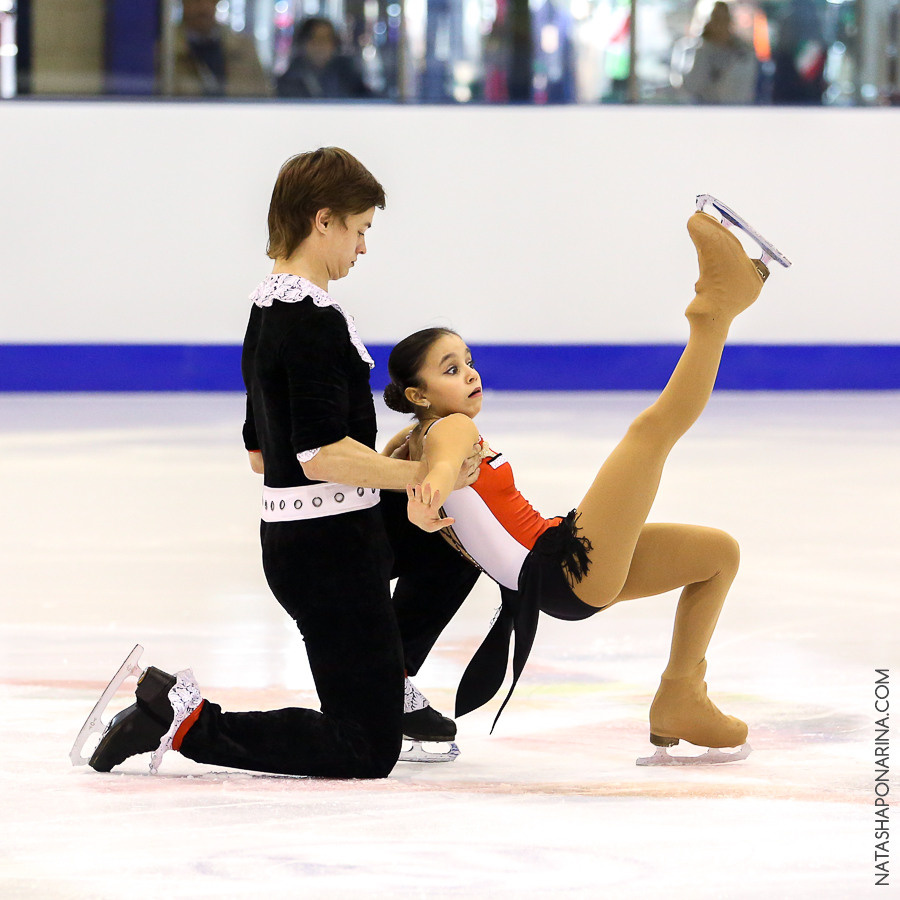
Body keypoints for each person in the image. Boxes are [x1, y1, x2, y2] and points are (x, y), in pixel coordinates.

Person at [79, 148, 482, 778]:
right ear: (323, 221)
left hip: (325, 533)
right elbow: (320, 455)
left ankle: (389, 676)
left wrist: (386, 472)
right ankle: (181, 720)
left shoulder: (270, 310)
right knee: (364, 749)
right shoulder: (309, 321)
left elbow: (261, 452)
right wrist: (423, 476)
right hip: (329, 553)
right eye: (359, 229)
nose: (363, 247)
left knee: (458, 540)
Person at [382, 206, 778, 756]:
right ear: (418, 396)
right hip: (564, 564)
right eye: (450, 369)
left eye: (467, 361)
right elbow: (445, 464)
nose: (469, 373)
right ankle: (716, 307)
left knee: (716, 555)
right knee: (652, 432)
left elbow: (429, 470)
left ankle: (681, 696)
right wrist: (432, 489)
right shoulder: (449, 428)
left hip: (560, 569)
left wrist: (427, 487)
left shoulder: (419, 437)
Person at [166, 0, 272, 97]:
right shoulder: (166, 50)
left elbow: (264, 96)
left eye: (210, 1)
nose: (203, 8)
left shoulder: (244, 49)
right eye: (195, 1)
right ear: (183, 2)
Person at [681, 2, 758, 104]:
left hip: (738, 109)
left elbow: (748, 86)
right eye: (715, 18)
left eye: (723, 18)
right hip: (703, 109)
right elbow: (692, 86)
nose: (719, 24)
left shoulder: (744, 53)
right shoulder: (697, 50)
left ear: (730, 22)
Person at [276, 18, 372, 99]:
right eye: (315, 39)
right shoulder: (289, 80)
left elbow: (368, 101)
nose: (321, 45)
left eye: (327, 39)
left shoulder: (348, 75)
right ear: (303, 43)